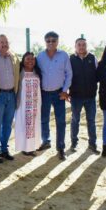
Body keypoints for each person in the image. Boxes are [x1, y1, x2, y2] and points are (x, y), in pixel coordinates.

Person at [37, 31, 72, 160]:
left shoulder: (64, 56)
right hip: (44, 93)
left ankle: (61, 148)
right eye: (48, 40)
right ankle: (46, 141)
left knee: (61, 121)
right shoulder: (39, 56)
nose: (51, 43)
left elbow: (69, 74)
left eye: (53, 40)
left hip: (59, 94)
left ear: (57, 41)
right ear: (45, 42)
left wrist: (65, 90)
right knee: (44, 119)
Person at [0, 34, 20, 163]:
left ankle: (4, 149)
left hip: (11, 95)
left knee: (7, 125)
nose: (4, 44)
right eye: (1, 42)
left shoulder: (14, 57)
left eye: (6, 42)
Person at [69, 38, 100, 154]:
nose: (81, 47)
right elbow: (67, 76)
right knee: (75, 120)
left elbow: (98, 76)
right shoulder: (70, 59)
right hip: (76, 97)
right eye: (79, 45)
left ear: (86, 46)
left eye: (83, 45)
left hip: (91, 97)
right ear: (75, 46)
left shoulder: (93, 58)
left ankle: (92, 144)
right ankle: (74, 143)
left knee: (91, 121)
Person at [15, 52, 42, 156]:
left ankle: (32, 147)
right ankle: (24, 147)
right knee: (23, 125)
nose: (30, 61)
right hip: (23, 105)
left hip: (35, 104)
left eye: (32, 59)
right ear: (23, 60)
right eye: (28, 59)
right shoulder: (19, 72)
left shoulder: (37, 72)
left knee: (34, 125)